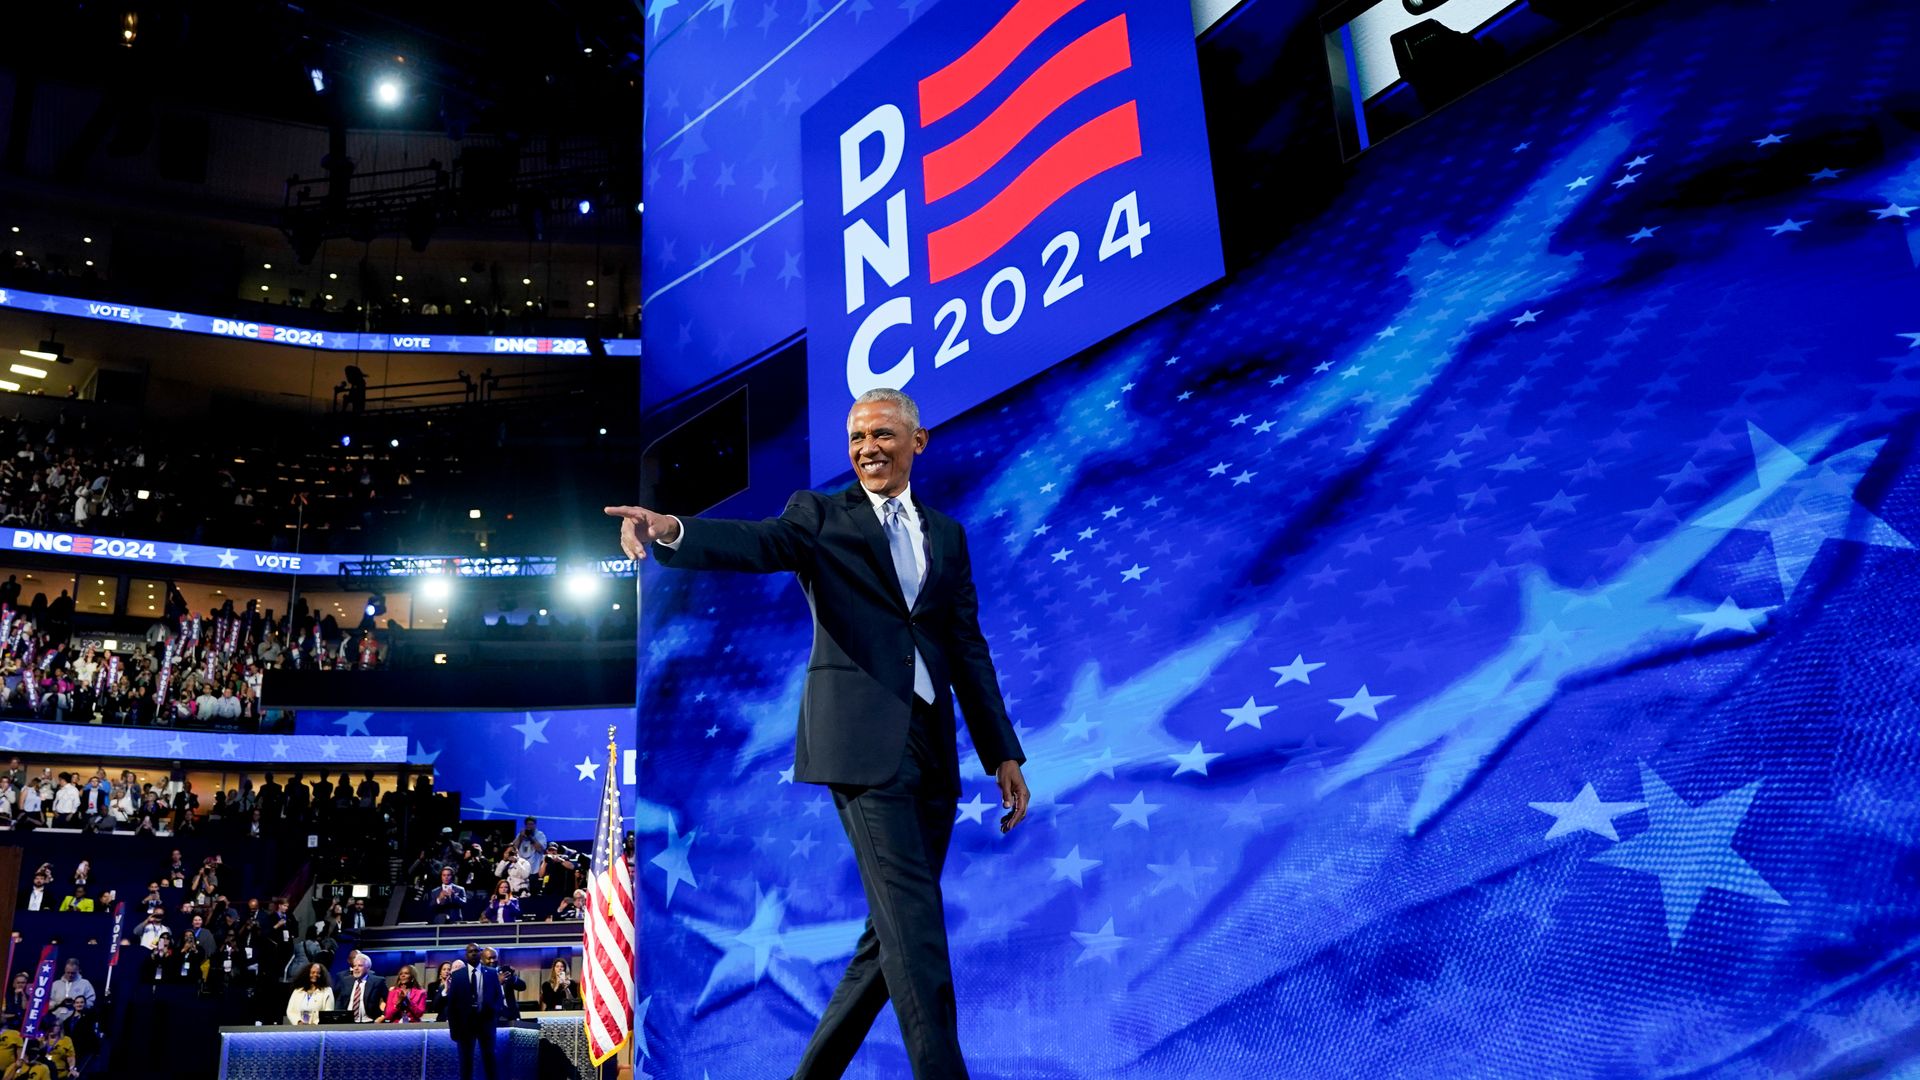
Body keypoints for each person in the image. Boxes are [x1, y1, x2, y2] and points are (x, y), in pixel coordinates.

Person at [605, 386, 1031, 1079]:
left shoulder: (947, 535)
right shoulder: (820, 515)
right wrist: (675, 529)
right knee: (915, 931)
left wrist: (1001, 751)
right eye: (859, 437)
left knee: (886, 939)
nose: (869, 449)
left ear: (916, 442)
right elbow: (760, 542)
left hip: (934, 753)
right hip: (861, 749)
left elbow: (966, 644)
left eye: (884, 436)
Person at [439, 943, 503, 1080]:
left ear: (480, 953)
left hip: (486, 1025)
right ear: (466, 955)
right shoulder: (457, 975)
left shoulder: (491, 973)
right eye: (470, 951)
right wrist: (453, 1030)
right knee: (465, 1065)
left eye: (476, 951)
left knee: (490, 1063)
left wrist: (493, 1014)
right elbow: (452, 1005)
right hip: (465, 1027)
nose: (473, 953)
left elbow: (498, 997)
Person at [335, 952, 386, 1024]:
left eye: (360, 965)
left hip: (370, 1021)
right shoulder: (345, 981)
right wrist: (338, 1018)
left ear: (368, 968)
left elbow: (388, 1001)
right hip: (348, 1022)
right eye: (354, 966)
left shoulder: (378, 981)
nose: (356, 968)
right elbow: (340, 1001)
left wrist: (383, 1016)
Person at [47, 960, 94, 1026]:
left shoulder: (85, 984)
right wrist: (59, 1003)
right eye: (68, 972)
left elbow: (91, 1003)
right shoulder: (55, 984)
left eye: (73, 973)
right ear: (64, 970)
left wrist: (77, 1004)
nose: (70, 975)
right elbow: (47, 1003)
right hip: (56, 1020)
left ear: (78, 971)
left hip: (75, 1022)